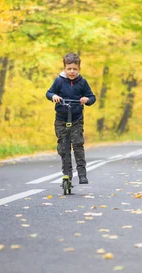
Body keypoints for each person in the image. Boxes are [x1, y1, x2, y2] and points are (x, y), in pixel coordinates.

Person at [46, 53, 96, 184]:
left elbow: (92, 97)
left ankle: (82, 174)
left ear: (79, 68)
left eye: (75, 69)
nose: (72, 72)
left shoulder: (82, 82)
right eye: (69, 69)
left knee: (78, 145)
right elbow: (49, 93)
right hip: (61, 119)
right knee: (64, 147)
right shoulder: (59, 81)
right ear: (64, 68)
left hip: (76, 119)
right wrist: (54, 96)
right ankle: (67, 174)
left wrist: (87, 100)